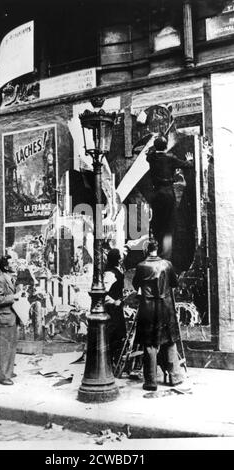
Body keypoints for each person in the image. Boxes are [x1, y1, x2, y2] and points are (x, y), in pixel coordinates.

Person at [132, 239, 184, 391]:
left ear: (146, 250)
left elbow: (136, 284)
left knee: (149, 344)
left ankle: (151, 381)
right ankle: (174, 377)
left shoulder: (141, 266)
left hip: (148, 308)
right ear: (157, 249)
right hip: (165, 307)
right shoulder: (167, 264)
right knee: (169, 341)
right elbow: (174, 284)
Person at [146, 135, 193, 259]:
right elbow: (188, 165)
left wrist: (155, 145)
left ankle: (154, 254)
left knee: (157, 225)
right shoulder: (170, 158)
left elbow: (150, 152)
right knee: (168, 227)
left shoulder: (151, 157)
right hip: (167, 194)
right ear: (166, 147)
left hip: (156, 194)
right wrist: (190, 160)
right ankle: (165, 258)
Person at [0, 255, 20, 385]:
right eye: (13, 262)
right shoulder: (0, 280)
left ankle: (3, 372)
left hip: (9, 317)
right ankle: (4, 377)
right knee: (5, 347)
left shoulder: (10, 279)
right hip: (4, 318)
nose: (16, 264)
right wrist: (14, 296)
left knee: (10, 346)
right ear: (6, 267)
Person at [104, 248, 127, 369]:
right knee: (113, 334)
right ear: (117, 259)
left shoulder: (117, 270)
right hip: (112, 309)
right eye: (120, 256)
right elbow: (103, 292)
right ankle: (110, 363)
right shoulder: (109, 273)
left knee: (119, 334)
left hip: (117, 308)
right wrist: (114, 301)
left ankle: (115, 362)